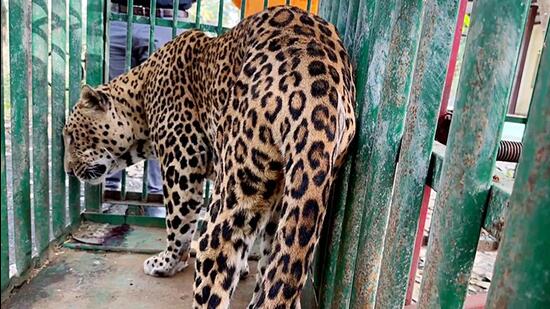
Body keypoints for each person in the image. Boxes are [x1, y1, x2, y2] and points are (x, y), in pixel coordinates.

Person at [105, 0, 195, 212]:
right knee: (110, 107)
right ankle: (109, 193)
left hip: (167, 18)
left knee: (164, 114)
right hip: (119, 15)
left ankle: (158, 197)